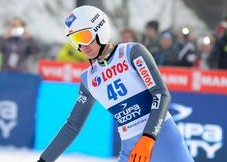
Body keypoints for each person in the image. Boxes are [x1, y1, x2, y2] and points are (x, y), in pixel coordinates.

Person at [37, 6, 193, 162]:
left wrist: (148, 138)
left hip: (163, 140)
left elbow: (160, 93)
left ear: (100, 29)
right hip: (131, 150)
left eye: (84, 37)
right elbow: (72, 126)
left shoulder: (132, 52)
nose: (82, 46)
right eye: (75, 41)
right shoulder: (88, 79)